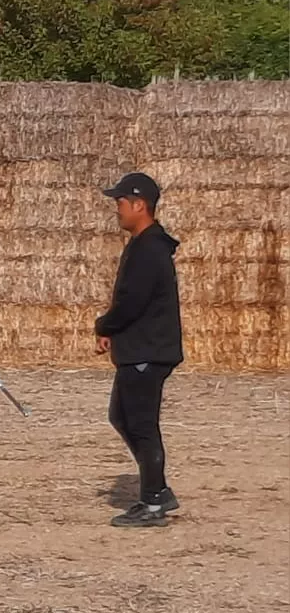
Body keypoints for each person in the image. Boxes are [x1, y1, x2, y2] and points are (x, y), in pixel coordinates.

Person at [95, 172, 184, 529]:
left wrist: (105, 325)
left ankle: (153, 500)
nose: (116, 210)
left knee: (142, 426)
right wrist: (114, 333)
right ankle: (156, 490)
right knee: (121, 417)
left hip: (149, 349)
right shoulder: (144, 245)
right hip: (139, 348)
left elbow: (133, 302)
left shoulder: (149, 249)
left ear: (139, 205)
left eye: (119, 203)